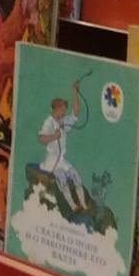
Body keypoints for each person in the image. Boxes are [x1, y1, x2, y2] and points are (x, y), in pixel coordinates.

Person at [38, 81, 88, 213]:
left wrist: (75, 92)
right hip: (52, 161)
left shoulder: (63, 121)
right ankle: (73, 206)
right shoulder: (49, 122)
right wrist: (54, 136)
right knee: (62, 179)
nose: (65, 113)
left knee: (76, 176)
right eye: (63, 111)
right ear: (57, 108)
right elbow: (41, 138)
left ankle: (83, 205)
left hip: (61, 160)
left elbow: (76, 112)